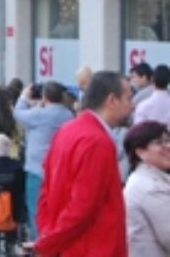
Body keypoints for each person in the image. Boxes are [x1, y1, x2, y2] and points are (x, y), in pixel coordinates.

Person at [30, 70, 131, 256]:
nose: (132, 106)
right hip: (92, 247)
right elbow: (82, 207)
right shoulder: (98, 142)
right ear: (112, 100)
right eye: (128, 98)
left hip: (67, 244)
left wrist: (47, 235)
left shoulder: (66, 130)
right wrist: (48, 242)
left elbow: (46, 190)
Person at [13, 81, 72, 239]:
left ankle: (39, 244)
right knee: (56, 211)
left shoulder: (39, 115)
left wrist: (23, 97)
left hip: (37, 169)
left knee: (36, 211)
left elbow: (18, 113)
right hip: (60, 171)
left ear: (45, 96)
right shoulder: (68, 114)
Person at [123, 120, 170, 256]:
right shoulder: (148, 187)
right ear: (140, 152)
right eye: (159, 143)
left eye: (167, 140)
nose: (167, 146)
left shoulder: (151, 179)